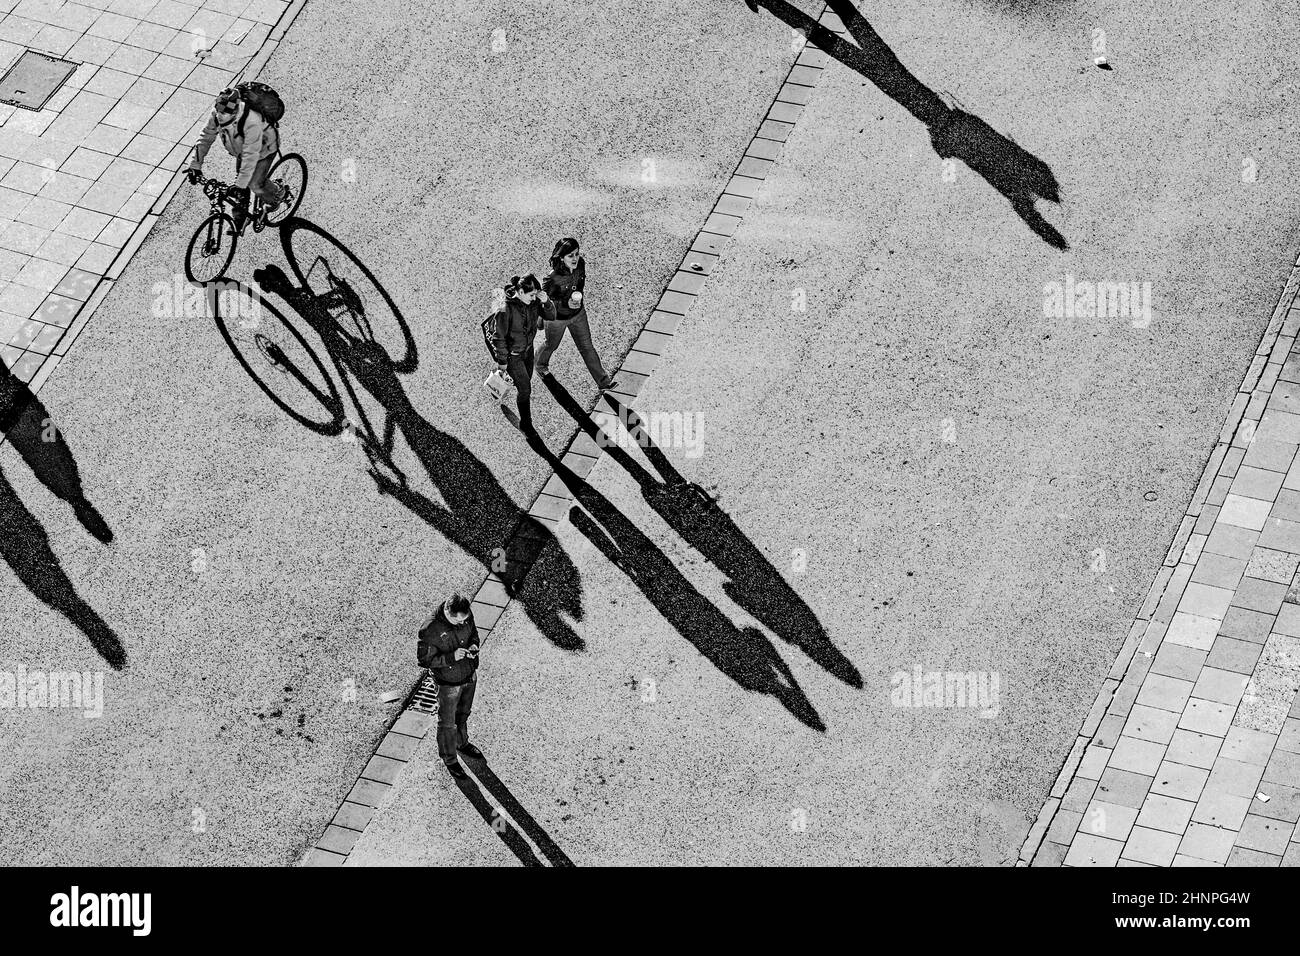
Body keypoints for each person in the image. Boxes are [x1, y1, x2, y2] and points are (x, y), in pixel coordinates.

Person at [185, 87, 284, 231]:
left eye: (225, 111)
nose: (220, 115)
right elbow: (206, 136)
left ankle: (277, 194)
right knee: (240, 185)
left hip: (264, 149)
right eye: (218, 108)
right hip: (242, 151)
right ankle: (240, 220)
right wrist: (195, 165)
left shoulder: (251, 122)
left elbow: (251, 157)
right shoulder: (217, 114)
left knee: (254, 184)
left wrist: (241, 184)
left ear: (236, 110)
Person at [538, 238, 618, 391]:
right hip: (557, 320)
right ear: (561, 257)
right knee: (551, 344)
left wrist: (577, 297)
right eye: (570, 256)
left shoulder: (581, 264)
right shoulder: (551, 278)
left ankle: (603, 382)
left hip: (578, 314)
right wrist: (564, 303)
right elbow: (545, 302)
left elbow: (580, 286)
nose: (575, 258)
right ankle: (540, 364)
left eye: (577, 254)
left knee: (587, 347)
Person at [417, 592, 483, 780]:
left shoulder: (465, 615)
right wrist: (450, 658)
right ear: (447, 611)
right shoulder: (430, 629)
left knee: (464, 713)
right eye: (457, 621)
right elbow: (424, 660)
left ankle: (462, 743)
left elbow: (474, 634)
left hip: (469, 675)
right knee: (447, 723)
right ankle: (449, 758)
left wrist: (473, 646)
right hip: (447, 683)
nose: (462, 623)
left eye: (465, 619)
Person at [491, 274, 554, 432]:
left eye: (535, 294)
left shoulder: (534, 303)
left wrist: (546, 301)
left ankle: (512, 380)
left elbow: (551, 316)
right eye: (531, 295)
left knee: (526, 381)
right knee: (525, 389)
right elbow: (498, 338)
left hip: (528, 351)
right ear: (519, 291)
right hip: (513, 357)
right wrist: (502, 363)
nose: (534, 298)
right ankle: (526, 423)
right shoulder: (505, 310)